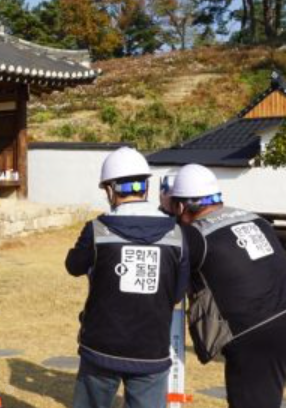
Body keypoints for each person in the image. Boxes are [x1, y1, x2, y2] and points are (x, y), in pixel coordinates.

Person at [166, 164, 286, 408]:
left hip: (259, 339)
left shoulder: (194, 235)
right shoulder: (255, 219)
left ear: (181, 206)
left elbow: (171, 280)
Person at [65, 147, 187, 408]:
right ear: (145, 186)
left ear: (110, 189)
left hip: (100, 348)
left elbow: (73, 266)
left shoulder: (96, 230)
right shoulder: (177, 234)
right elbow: (176, 294)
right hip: (151, 352)